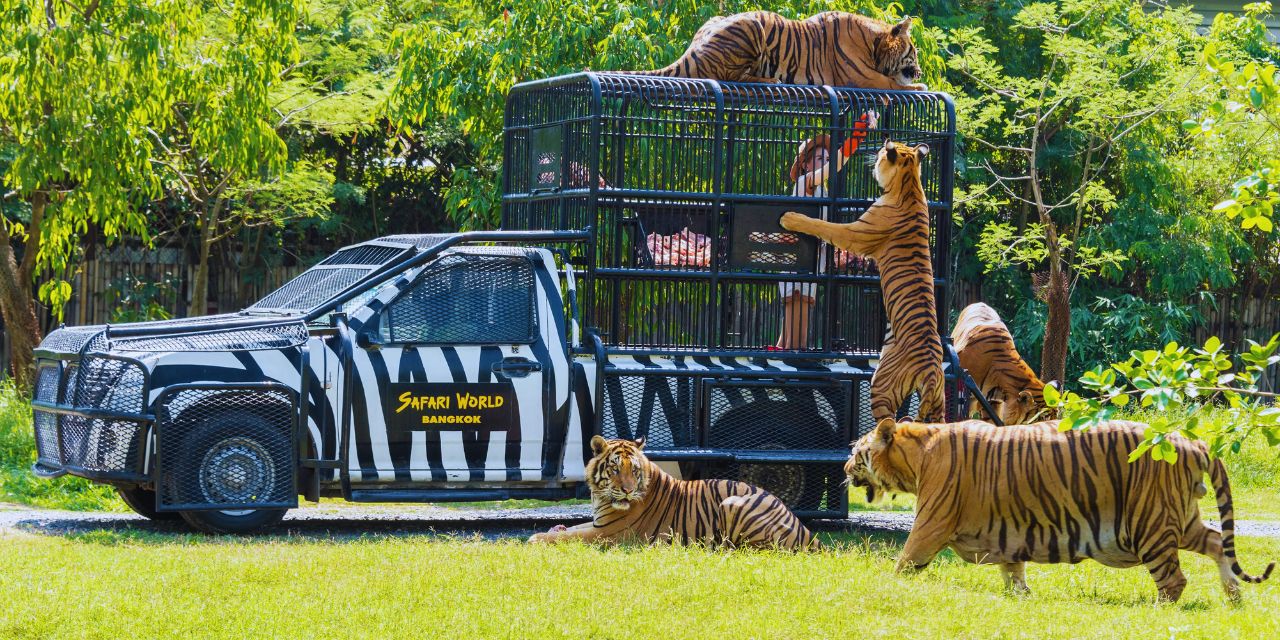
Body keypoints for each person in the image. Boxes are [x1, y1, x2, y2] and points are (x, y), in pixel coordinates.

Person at [776, 111, 877, 350]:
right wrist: (856, 137)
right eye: (820, 159)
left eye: (826, 158)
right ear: (806, 164)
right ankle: (793, 379)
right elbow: (834, 168)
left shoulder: (822, 191)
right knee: (797, 340)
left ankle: (779, 364)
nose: (825, 162)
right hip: (798, 263)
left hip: (813, 261)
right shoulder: (805, 183)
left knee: (789, 336)